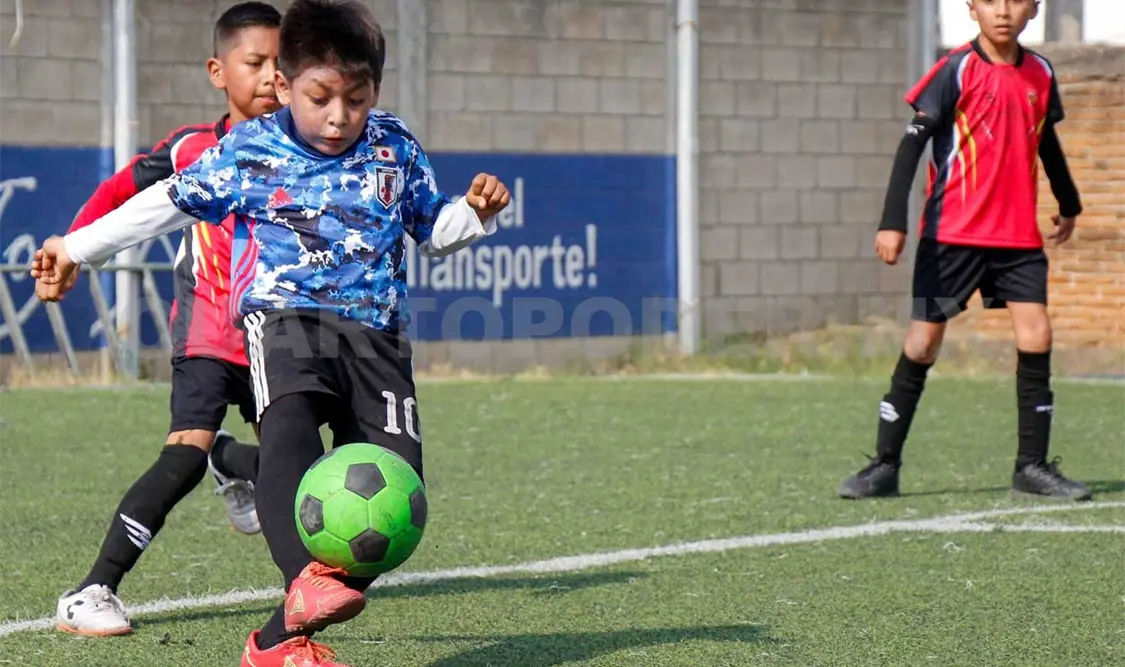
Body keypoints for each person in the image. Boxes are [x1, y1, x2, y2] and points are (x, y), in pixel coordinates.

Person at [33, 1, 510, 664]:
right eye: (320, 98)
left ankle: (274, 641)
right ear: (286, 87)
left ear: (376, 90)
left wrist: (474, 214)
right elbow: (164, 202)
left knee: (399, 496)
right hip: (286, 318)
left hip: (377, 339)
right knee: (287, 427)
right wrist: (77, 248)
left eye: (357, 98)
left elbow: (432, 230)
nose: (339, 116)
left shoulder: (394, 144)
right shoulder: (251, 148)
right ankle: (297, 591)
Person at [48, 1, 283, 637]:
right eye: (255, 62)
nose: (270, 77)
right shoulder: (191, 149)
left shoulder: (310, 153)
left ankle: (234, 463)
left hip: (281, 342)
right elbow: (121, 193)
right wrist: (71, 248)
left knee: (302, 470)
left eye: (282, 65)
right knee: (182, 456)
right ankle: (92, 589)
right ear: (218, 70)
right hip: (208, 335)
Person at [837, 0, 1090, 501]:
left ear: (1034, 10)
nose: (1003, 11)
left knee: (1037, 335)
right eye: (991, 0)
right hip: (951, 238)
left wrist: (1069, 201)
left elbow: (1044, 140)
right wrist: (893, 223)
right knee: (923, 344)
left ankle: (1032, 467)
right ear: (972, 7)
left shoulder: (1040, 72)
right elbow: (911, 145)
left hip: (1017, 241)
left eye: (1015, 1)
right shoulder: (955, 70)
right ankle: (884, 466)